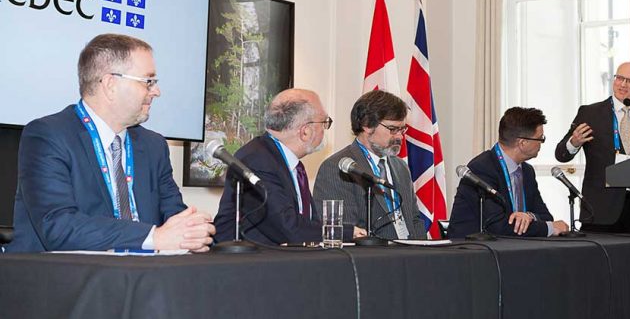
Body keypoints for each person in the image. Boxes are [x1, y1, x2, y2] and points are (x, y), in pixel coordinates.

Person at [7, 34, 214, 253]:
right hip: (64, 272)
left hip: (142, 271)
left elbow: (175, 216)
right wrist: (153, 237)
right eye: (148, 81)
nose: (156, 91)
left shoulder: (153, 146)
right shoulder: (48, 136)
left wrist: (193, 232)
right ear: (110, 84)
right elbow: (59, 227)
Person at [214, 88, 365, 245]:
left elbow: (306, 223)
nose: (325, 129)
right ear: (305, 132)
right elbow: (288, 228)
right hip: (246, 259)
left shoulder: (286, 162)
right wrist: (346, 232)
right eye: (324, 123)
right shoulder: (257, 160)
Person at [554, 62, 630, 233]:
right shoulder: (590, 113)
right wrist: (574, 142)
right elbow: (561, 154)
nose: (623, 84)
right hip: (599, 211)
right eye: (619, 78)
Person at [314, 90, 427, 240]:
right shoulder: (336, 168)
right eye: (393, 129)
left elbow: (414, 220)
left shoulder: (401, 167)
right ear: (367, 125)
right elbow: (343, 230)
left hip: (408, 252)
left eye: (402, 129)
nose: (400, 136)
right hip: (372, 253)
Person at [448, 107, 569, 238]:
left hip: (512, 246)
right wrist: (549, 228)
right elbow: (497, 225)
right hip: (472, 247)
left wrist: (528, 217)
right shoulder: (481, 169)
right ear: (523, 143)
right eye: (540, 139)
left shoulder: (527, 171)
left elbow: (545, 216)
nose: (541, 143)